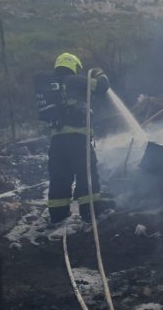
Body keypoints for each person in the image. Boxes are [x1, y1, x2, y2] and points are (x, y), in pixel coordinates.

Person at [35, 53, 109, 224]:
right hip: (78, 139)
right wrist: (98, 73)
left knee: (60, 178)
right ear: (73, 67)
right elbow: (102, 86)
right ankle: (91, 214)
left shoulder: (50, 86)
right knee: (86, 176)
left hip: (57, 142)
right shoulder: (73, 81)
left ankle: (58, 216)